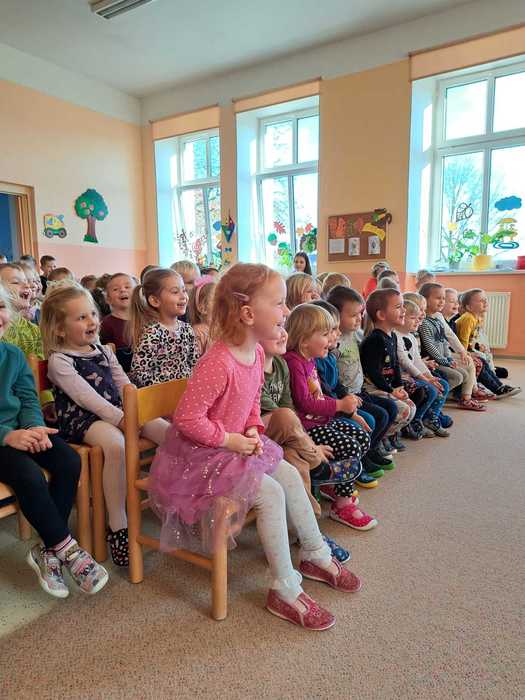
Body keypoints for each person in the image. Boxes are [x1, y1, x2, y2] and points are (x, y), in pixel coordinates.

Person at [149, 263, 361, 631]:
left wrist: (252, 427)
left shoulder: (259, 354)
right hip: (202, 454)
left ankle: (315, 552)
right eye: (278, 304)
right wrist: (230, 439)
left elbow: (251, 403)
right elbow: (186, 419)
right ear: (248, 314)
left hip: (236, 444)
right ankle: (284, 588)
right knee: (270, 493)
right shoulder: (218, 361)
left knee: (289, 475)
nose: (286, 311)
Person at [41, 284, 169, 566]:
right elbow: (86, 398)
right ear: (60, 329)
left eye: (92, 314)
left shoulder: (103, 350)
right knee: (116, 445)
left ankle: (176, 493)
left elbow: (124, 384)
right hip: (83, 419)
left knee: (167, 431)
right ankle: (118, 524)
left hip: (118, 411)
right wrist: (123, 420)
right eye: (81, 317)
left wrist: (138, 410)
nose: (92, 321)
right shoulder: (59, 361)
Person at [0, 284, 108, 597]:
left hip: (22, 430)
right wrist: (8, 435)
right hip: (3, 439)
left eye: (1, 307)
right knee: (29, 475)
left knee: (68, 461)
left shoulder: (12, 354)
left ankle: (47, 551)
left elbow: (27, 398)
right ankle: (66, 549)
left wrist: (34, 427)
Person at [260, 327, 352, 564]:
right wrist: (313, 450)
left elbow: (289, 407)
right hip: (257, 435)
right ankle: (319, 466)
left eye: (283, 325)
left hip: (282, 438)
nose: (283, 332)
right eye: (276, 326)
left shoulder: (280, 365)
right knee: (285, 417)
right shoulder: (254, 366)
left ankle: (308, 532)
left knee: (296, 461)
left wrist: (307, 446)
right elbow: (280, 414)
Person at [284, 303, 377, 531]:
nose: (331, 338)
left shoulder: (309, 359)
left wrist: (348, 408)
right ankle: (342, 505)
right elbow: (305, 402)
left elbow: (319, 393)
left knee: (362, 436)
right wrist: (339, 405)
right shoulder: (293, 362)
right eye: (325, 334)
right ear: (304, 340)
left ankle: (333, 482)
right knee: (350, 447)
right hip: (307, 428)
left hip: (320, 420)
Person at [314, 296, 396, 476]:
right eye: (332, 330)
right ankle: (359, 461)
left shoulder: (330, 353)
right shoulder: (318, 359)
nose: (337, 334)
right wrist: (349, 409)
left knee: (387, 409)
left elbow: (337, 383)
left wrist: (347, 397)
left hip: (350, 396)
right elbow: (325, 391)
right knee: (371, 419)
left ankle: (369, 451)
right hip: (331, 407)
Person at [327, 285, 400, 460]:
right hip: (345, 396)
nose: (359, 318)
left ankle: (373, 448)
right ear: (335, 316)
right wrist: (345, 396)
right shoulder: (333, 343)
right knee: (377, 416)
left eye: (360, 313)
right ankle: (364, 456)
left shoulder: (356, 334)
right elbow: (331, 378)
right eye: (353, 315)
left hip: (360, 391)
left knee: (390, 407)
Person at [359, 289, 417, 450]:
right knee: (403, 410)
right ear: (381, 315)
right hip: (372, 387)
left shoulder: (393, 336)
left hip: (387, 386)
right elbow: (373, 372)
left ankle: (390, 434)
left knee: (411, 407)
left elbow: (395, 364)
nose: (404, 310)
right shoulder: (375, 339)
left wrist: (399, 387)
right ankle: (381, 437)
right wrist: (391, 390)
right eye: (398, 307)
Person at [418, 283, 488, 411]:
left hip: (444, 357)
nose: (442, 301)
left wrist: (461, 352)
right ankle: (436, 398)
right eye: (438, 298)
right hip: (433, 359)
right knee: (458, 375)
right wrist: (446, 361)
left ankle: (466, 397)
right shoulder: (423, 321)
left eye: (443, 298)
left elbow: (448, 337)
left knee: (468, 362)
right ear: (425, 299)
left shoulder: (438, 316)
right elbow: (430, 346)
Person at [0, 263, 55, 422]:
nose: (28, 285)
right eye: (16, 282)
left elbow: (39, 372)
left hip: (27, 408)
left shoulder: (34, 331)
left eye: (27, 281)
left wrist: (47, 401)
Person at [129, 267, 199, 387]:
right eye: (175, 292)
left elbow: (194, 363)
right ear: (155, 301)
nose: (183, 296)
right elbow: (138, 373)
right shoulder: (152, 334)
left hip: (185, 391)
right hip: (159, 394)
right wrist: (164, 387)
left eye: (184, 290)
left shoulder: (187, 329)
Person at [396, 298, 451, 437]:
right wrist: (425, 379)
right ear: (400, 318)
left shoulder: (411, 337)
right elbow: (405, 362)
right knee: (430, 389)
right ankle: (415, 420)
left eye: (418, 318)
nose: (417, 321)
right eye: (412, 318)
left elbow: (417, 360)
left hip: (413, 375)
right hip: (402, 377)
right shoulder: (395, 336)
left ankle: (431, 417)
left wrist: (430, 377)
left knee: (442, 384)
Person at [455, 288, 520, 399]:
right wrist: (466, 353)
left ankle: (499, 386)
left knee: (483, 360)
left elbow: (471, 339)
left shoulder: (476, 318)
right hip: (458, 350)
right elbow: (463, 339)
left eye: (485, 299)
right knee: (479, 361)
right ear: (469, 307)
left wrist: (476, 347)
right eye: (481, 300)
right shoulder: (468, 318)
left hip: (464, 348)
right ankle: (497, 388)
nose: (485, 302)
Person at [99, 273, 136, 373]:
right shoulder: (105, 325)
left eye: (127, 287)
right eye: (115, 289)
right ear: (108, 299)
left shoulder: (147, 318)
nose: (122, 290)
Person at [188, 274, 216, 356]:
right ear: (202, 307)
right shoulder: (198, 332)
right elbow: (193, 360)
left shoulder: (224, 330)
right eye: (218, 300)